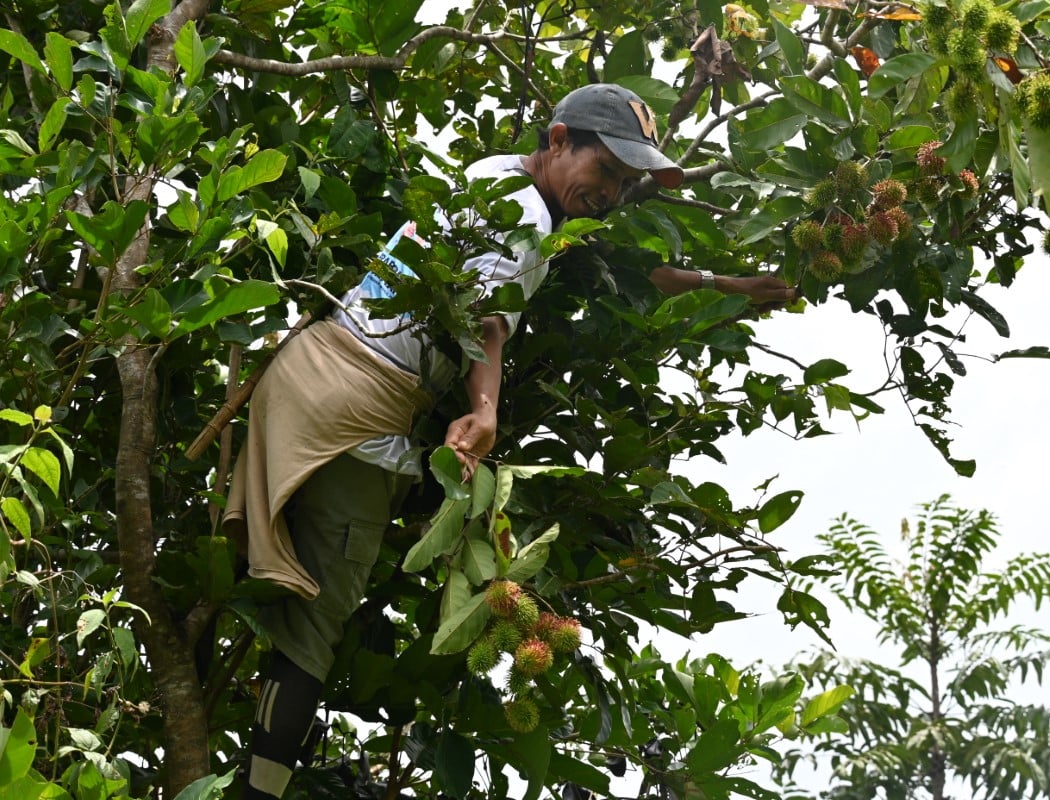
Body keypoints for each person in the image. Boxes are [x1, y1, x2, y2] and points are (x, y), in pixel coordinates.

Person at [223, 83, 794, 799]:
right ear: (559, 141)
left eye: (624, 182)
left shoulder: (499, 180)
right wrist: (485, 409)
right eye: (604, 171)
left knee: (260, 581)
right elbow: (486, 321)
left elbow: (615, 269)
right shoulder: (526, 219)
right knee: (315, 627)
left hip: (310, 370)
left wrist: (730, 283)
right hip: (357, 407)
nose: (612, 194)